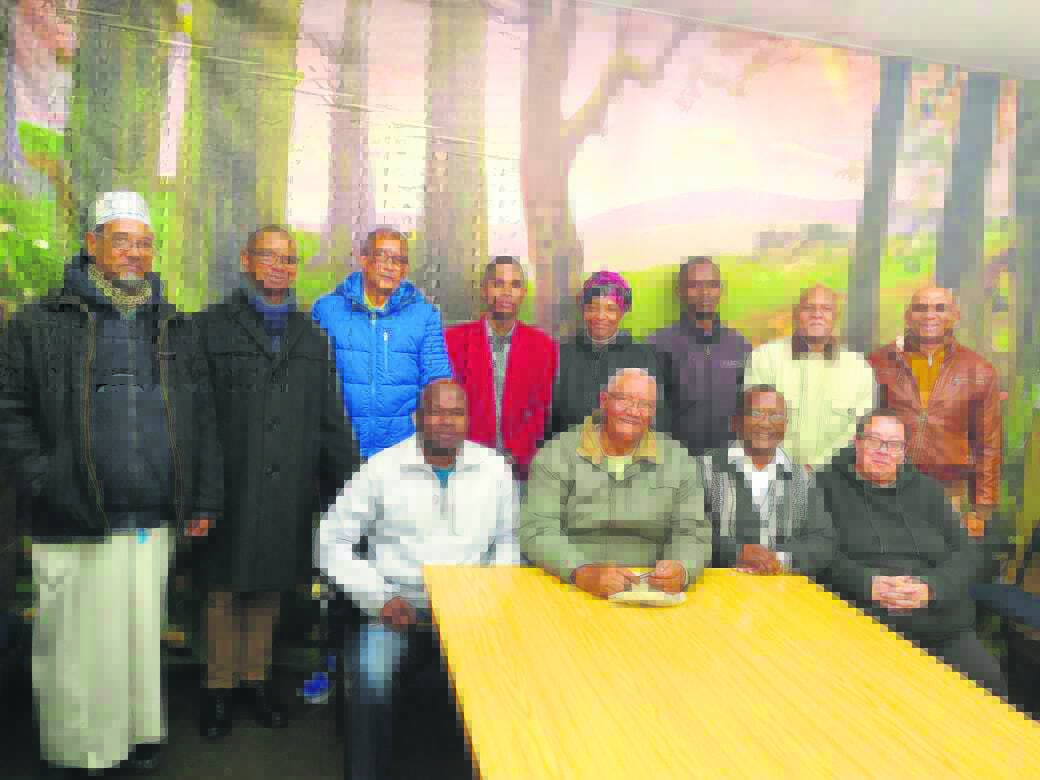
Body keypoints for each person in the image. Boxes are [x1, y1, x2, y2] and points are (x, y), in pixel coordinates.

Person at [0, 192, 222, 776]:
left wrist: (201, 497)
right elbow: (8, 408)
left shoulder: (174, 325)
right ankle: (80, 752)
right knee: (77, 644)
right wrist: (45, 477)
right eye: (121, 240)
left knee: (138, 636)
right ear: (92, 244)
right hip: (74, 512)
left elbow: (201, 418)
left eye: (144, 243)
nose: (134, 253)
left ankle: (136, 736)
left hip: (151, 515)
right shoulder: (42, 322)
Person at [191, 226, 360, 740]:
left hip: (288, 484)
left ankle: (255, 682)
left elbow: (329, 417)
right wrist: (199, 491)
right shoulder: (208, 328)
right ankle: (217, 689)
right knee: (221, 589)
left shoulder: (312, 337)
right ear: (246, 260)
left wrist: (351, 488)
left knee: (268, 587)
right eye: (268, 256)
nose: (279, 266)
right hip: (227, 482)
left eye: (288, 259)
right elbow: (194, 416)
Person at [317, 379, 519, 780]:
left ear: (468, 420)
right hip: (397, 604)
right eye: (436, 412)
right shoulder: (382, 470)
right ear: (417, 418)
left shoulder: (494, 469)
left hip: (471, 610)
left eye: (456, 413)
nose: (446, 422)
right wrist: (379, 598)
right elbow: (330, 541)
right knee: (372, 677)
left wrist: (486, 598)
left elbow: (507, 542)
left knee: (511, 680)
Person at [814, 409, 1006, 696]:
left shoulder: (928, 490)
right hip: (864, 619)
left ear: (903, 452)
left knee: (989, 690)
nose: (883, 451)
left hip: (940, 623)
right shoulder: (825, 486)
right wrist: (868, 584)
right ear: (857, 442)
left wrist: (931, 588)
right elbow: (818, 553)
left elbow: (967, 553)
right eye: (874, 441)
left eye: (894, 445)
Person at [521, 368, 710, 599]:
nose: (633, 411)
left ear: (653, 413)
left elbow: (693, 531)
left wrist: (681, 568)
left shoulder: (678, 459)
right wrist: (581, 571)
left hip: (650, 588)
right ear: (604, 401)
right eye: (624, 399)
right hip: (569, 580)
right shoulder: (558, 452)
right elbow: (538, 529)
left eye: (645, 404)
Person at [868, 287, 1001, 540]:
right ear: (908, 316)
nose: (930, 315)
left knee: (939, 559)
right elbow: (860, 427)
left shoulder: (978, 370)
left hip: (947, 491)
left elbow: (988, 444)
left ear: (955, 316)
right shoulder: (879, 362)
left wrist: (981, 509)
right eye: (921, 308)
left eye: (940, 308)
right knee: (885, 557)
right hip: (886, 486)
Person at [312, 227, 452, 459]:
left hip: (401, 452)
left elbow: (437, 383)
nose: (390, 266)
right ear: (364, 259)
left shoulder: (425, 315)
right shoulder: (327, 310)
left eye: (398, 260)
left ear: (405, 269)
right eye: (382, 256)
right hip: (338, 449)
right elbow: (310, 381)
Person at [445, 256, 558, 486]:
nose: (506, 292)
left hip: (519, 470)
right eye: (498, 283)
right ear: (484, 290)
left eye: (514, 285)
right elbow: (447, 407)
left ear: (523, 293)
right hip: (464, 466)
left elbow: (540, 411)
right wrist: (472, 458)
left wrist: (512, 457)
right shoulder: (453, 341)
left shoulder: (543, 346)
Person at [701, 385, 833, 576]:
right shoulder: (703, 469)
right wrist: (736, 552)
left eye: (776, 416)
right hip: (719, 585)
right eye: (755, 413)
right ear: (735, 421)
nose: (766, 423)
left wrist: (779, 559)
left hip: (782, 586)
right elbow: (686, 531)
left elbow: (823, 541)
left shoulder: (802, 477)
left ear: (786, 425)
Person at [744, 284, 875, 471]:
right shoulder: (765, 358)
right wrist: (786, 469)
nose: (817, 314)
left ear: (836, 316)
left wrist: (814, 467)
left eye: (826, 308)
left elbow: (858, 430)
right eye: (808, 308)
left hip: (835, 476)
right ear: (796, 313)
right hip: (773, 473)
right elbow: (756, 422)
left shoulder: (859, 368)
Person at [548, 271, 672, 440]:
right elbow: (548, 417)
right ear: (583, 309)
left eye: (611, 309)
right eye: (592, 308)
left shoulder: (642, 356)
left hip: (626, 452)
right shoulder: (562, 355)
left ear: (623, 311)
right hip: (568, 452)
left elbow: (656, 417)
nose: (600, 316)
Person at [648, 257, 751, 456]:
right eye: (694, 285)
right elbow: (652, 411)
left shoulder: (739, 345)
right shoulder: (658, 344)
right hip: (677, 460)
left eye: (712, 285)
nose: (705, 293)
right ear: (679, 291)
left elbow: (747, 407)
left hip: (729, 460)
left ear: (720, 290)